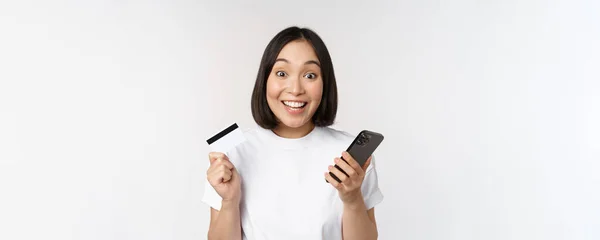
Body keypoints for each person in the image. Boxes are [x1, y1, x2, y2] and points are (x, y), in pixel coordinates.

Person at [202, 26, 383, 240]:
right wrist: (230, 201)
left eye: (310, 75)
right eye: (281, 73)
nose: (295, 89)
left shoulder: (349, 157)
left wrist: (352, 199)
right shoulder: (231, 152)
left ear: (325, 84)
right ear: (265, 80)